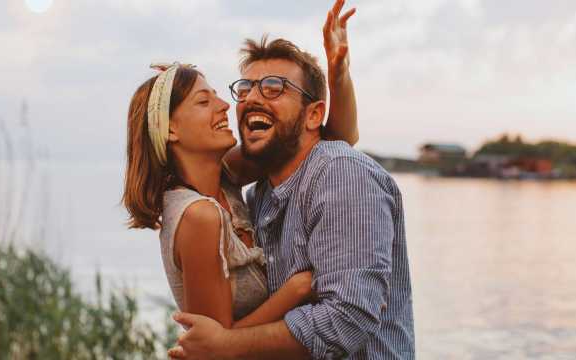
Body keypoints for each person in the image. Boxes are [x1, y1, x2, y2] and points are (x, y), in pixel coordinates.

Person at [167, 1, 416, 359]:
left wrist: (226, 345)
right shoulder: (257, 192)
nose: (251, 97)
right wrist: (166, 93)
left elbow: (349, 318)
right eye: (246, 88)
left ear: (314, 114)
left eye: (273, 87)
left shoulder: (340, 174)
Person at [122, 0, 359, 336]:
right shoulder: (199, 216)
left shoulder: (223, 177)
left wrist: (338, 73)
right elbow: (216, 347)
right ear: (171, 130)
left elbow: (334, 139)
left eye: (218, 96)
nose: (224, 106)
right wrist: (294, 291)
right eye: (204, 102)